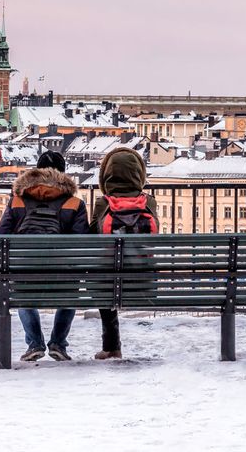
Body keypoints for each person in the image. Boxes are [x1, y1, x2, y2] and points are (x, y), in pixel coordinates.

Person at [0, 150, 89, 362]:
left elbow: (0, 236)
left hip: (25, 275)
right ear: (64, 175)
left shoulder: (18, 201)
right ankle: (58, 343)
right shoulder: (74, 204)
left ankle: (34, 343)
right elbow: (81, 242)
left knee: (17, 288)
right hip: (62, 277)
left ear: (36, 172)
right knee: (71, 292)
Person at [90, 147, 159, 360]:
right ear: (139, 174)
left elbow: (93, 236)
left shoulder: (103, 203)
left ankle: (111, 346)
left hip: (108, 280)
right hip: (144, 278)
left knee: (103, 282)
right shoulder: (149, 202)